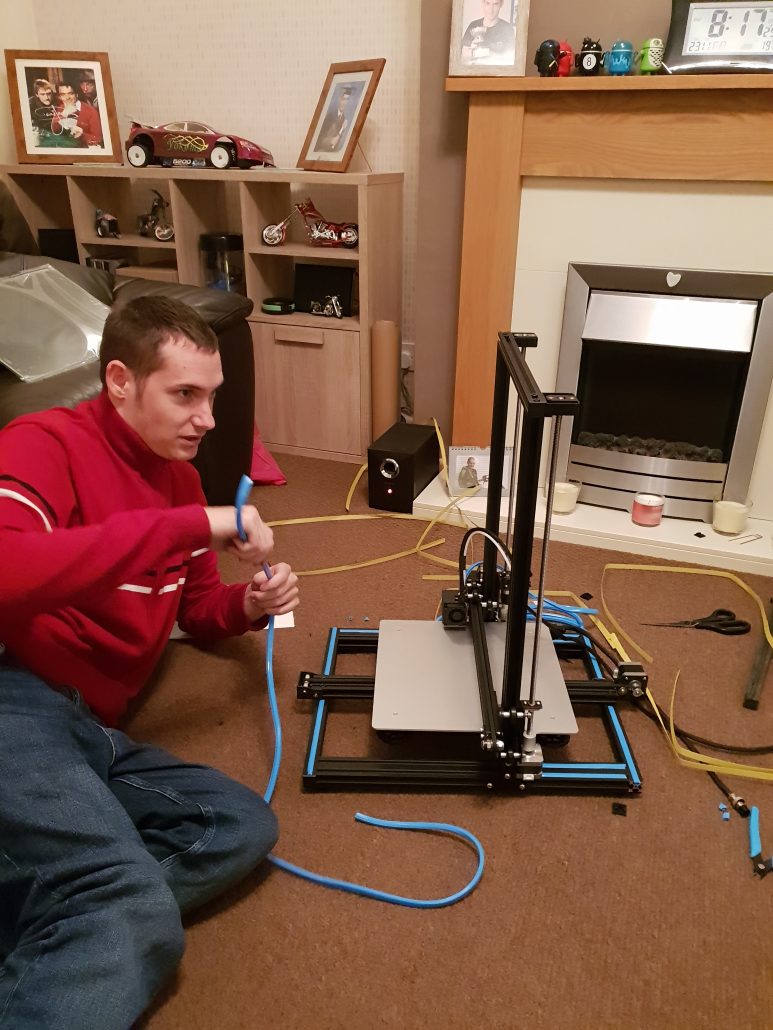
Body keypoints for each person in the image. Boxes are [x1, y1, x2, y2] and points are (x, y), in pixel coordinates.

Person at [0, 295, 300, 1029]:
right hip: (15, 695)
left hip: (94, 732)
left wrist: (248, 608)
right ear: (119, 382)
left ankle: (66, 911)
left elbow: (192, 606)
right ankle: (99, 907)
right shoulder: (41, 445)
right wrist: (191, 523)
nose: (207, 418)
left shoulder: (177, 476)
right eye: (185, 395)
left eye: (213, 398)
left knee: (240, 827)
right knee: (128, 906)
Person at [460, 0, 516, 65]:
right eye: (488, 3)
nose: (491, 9)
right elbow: (462, 57)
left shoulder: (507, 29)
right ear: (483, 3)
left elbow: (509, 60)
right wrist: (472, 48)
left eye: (495, 4)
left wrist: (480, 52)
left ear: (501, 4)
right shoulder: (473, 25)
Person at [51, 81, 103, 147]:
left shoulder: (91, 111)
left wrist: (82, 135)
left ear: (77, 94)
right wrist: (63, 115)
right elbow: (55, 130)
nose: (67, 98)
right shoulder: (60, 108)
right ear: (59, 97)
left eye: (70, 93)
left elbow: (98, 139)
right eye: (63, 94)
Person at [316, 85, 356, 152]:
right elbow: (320, 138)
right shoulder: (330, 116)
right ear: (340, 99)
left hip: (333, 151)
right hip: (323, 150)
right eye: (343, 99)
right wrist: (330, 141)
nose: (344, 103)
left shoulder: (343, 118)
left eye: (347, 100)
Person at [27, 78, 57, 143]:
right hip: (41, 138)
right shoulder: (30, 105)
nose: (46, 98)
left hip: (58, 134)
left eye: (49, 93)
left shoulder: (57, 101)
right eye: (42, 94)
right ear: (37, 94)